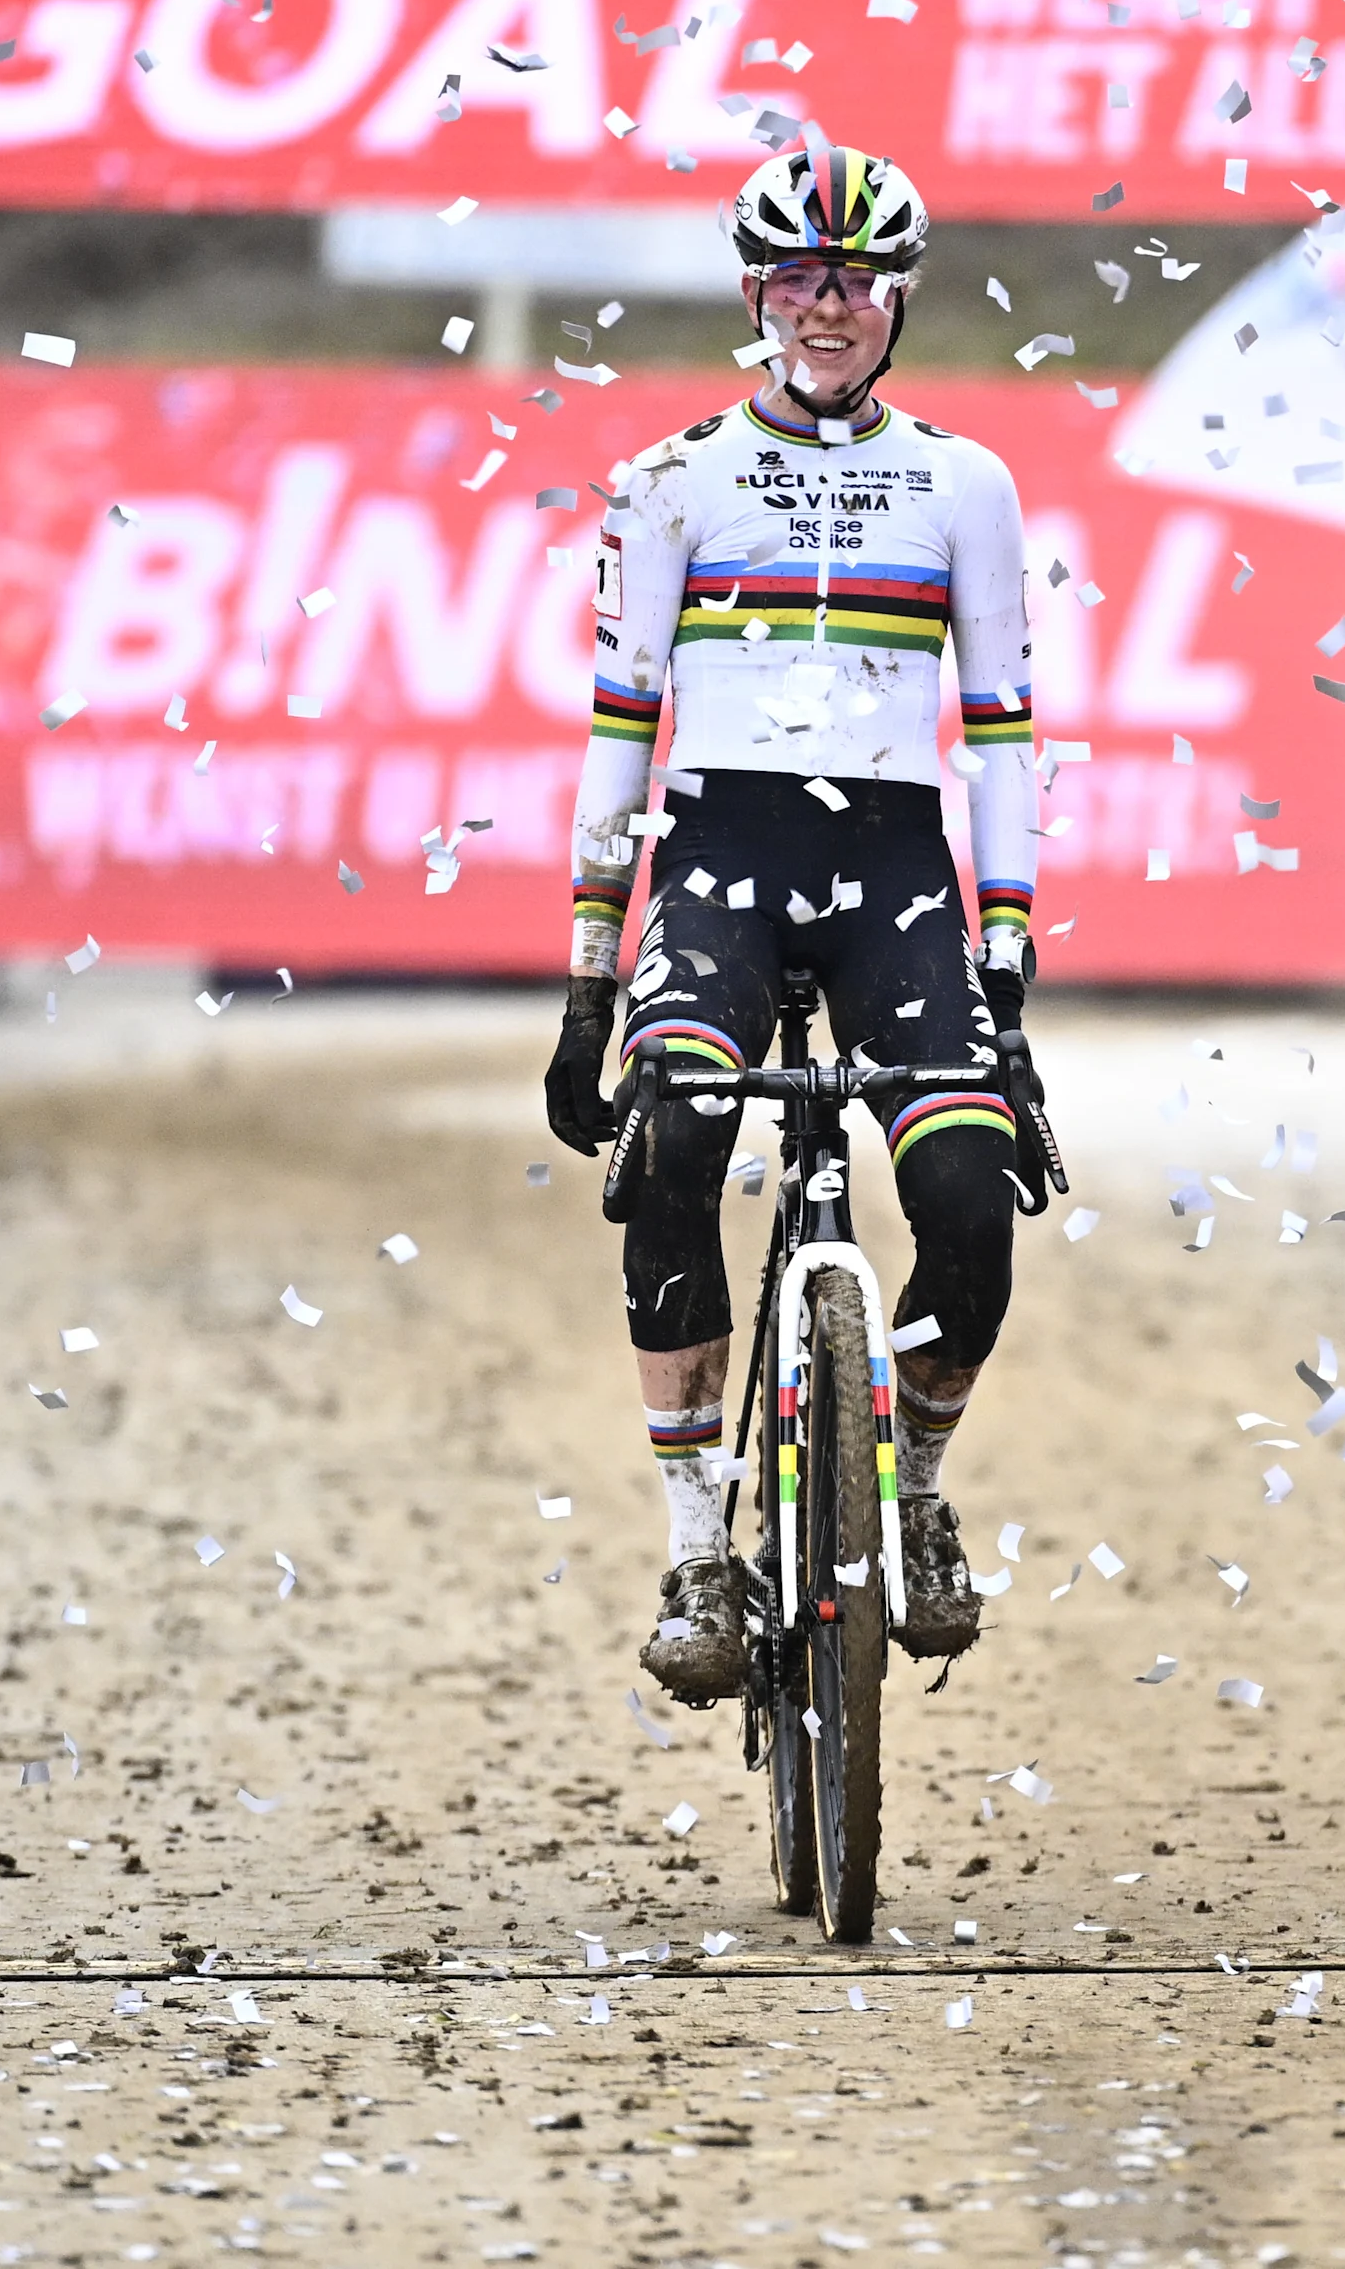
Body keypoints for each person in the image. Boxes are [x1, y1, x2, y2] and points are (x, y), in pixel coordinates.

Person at [538, 142, 1042, 1708]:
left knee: (967, 1196)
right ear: (758, 291)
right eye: (801, 277)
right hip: (720, 864)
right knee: (677, 1154)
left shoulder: (968, 484)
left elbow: (1005, 729)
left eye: (858, 279)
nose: (830, 306)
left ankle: (922, 1490)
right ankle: (699, 1544)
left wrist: (1008, 955)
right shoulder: (672, 476)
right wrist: (584, 973)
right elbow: (623, 726)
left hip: (899, 874)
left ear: (898, 298)